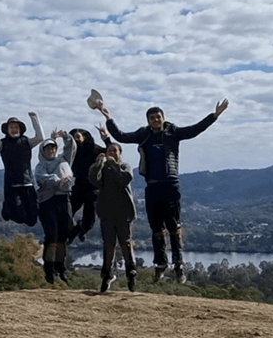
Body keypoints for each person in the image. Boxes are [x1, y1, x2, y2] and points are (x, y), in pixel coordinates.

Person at [97, 97, 229, 283]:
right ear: (148, 120)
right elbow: (121, 137)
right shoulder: (144, 134)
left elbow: (194, 130)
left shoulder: (173, 132)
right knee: (156, 228)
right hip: (152, 186)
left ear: (163, 117)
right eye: (152, 118)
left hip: (171, 184)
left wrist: (214, 115)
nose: (155, 120)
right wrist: (108, 116)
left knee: (174, 227)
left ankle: (179, 265)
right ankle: (160, 264)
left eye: (158, 117)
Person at [89, 143, 136, 293]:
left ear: (120, 153)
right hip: (107, 212)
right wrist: (98, 164)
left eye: (114, 151)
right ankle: (107, 274)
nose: (111, 153)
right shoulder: (102, 168)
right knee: (108, 244)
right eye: (109, 150)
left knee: (125, 242)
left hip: (123, 212)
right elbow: (94, 181)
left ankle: (131, 271)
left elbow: (125, 179)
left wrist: (114, 165)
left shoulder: (125, 166)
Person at [0, 112, 44, 226]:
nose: (14, 129)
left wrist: (34, 118)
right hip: (12, 186)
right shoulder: (3, 144)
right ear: (7, 129)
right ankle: (7, 209)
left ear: (20, 129)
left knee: (32, 220)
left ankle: (10, 209)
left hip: (28, 184)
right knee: (20, 217)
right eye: (11, 127)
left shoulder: (26, 141)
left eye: (16, 127)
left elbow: (40, 137)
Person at [34, 129, 76, 284]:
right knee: (52, 237)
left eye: (53, 148)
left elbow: (71, 147)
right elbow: (43, 178)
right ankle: (49, 270)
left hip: (64, 199)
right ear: (43, 151)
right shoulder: (40, 166)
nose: (51, 150)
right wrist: (59, 181)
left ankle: (60, 268)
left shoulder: (63, 160)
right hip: (47, 202)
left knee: (63, 237)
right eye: (48, 148)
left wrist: (66, 137)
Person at [66, 126, 111, 244]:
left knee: (89, 218)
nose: (76, 139)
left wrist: (106, 138)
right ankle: (73, 230)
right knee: (67, 211)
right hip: (78, 184)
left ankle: (82, 229)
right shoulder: (72, 152)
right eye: (74, 138)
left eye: (78, 136)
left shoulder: (94, 149)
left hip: (93, 187)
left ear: (85, 136)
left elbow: (111, 151)